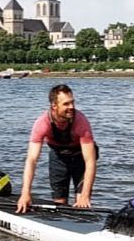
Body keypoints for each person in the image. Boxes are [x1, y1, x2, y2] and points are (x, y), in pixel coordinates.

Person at [17, 83, 97, 213]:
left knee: (81, 203)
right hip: (58, 157)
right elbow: (31, 159)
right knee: (59, 204)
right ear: (54, 105)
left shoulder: (81, 121)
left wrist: (85, 195)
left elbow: (90, 161)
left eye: (72, 102)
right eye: (66, 104)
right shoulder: (42, 123)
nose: (71, 107)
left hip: (80, 159)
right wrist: (25, 193)